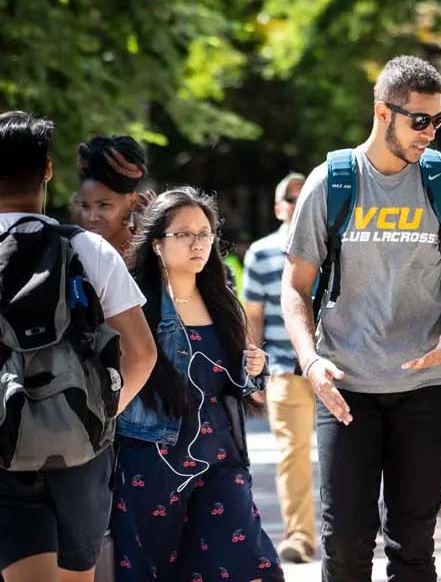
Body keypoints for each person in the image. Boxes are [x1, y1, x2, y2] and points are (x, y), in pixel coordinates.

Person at [281, 55, 441, 581]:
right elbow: (295, 286)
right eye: (419, 121)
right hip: (344, 385)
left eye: (437, 121)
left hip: (425, 385)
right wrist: (309, 361)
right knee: (346, 543)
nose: (429, 133)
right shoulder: (332, 180)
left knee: (413, 545)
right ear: (382, 113)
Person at [0, 111, 157, 582]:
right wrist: (103, 415)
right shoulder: (89, 249)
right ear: (48, 170)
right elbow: (142, 353)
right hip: (81, 445)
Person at [109, 187, 281, 581]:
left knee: (252, 565)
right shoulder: (135, 308)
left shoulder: (223, 299)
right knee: (154, 570)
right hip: (153, 458)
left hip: (219, 458)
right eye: (184, 234)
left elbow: (234, 384)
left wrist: (253, 368)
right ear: (156, 244)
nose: (198, 243)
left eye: (204, 234)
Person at [240, 173, 317, 564]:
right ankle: (300, 537)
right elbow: (253, 315)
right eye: (289, 198)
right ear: (277, 208)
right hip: (285, 369)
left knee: (352, 455)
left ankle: (348, 531)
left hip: (337, 368)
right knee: (293, 453)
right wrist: (255, 371)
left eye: (303, 197)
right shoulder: (261, 252)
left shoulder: (329, 243)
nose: (296, 202)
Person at [72, 134, 154, 261]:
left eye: (104, 205)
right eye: (85, 206)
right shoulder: (73, 256)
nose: (92, 217)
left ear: (132, 202)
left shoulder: (151, 259)